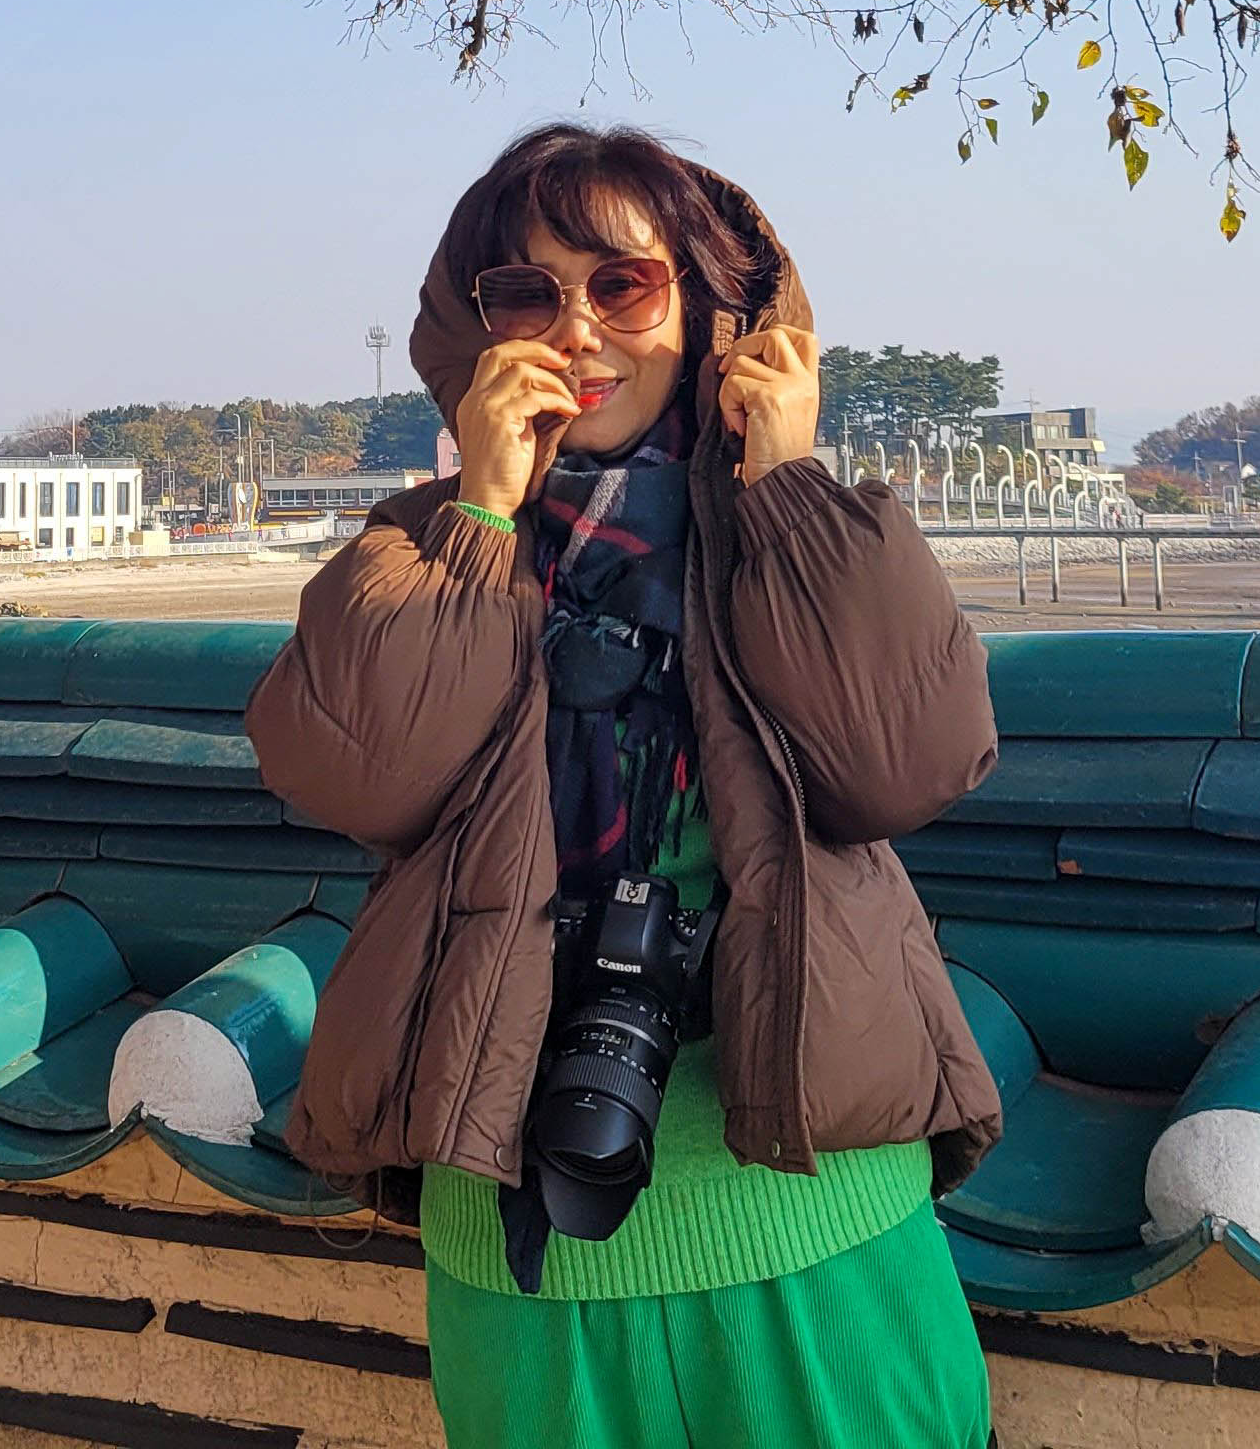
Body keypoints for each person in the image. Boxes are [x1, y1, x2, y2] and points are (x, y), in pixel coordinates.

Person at [246, 124, 1004, 1449]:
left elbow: (900, 765)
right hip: (510, 1201)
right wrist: (482, 515)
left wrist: (786, 489)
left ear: (707, 310)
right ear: (477, 326)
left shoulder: (797, 528)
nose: (578, 330)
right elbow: (363, 776)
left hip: (804, 1191)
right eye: (525, 294)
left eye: (623, 285)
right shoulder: (417, 549)